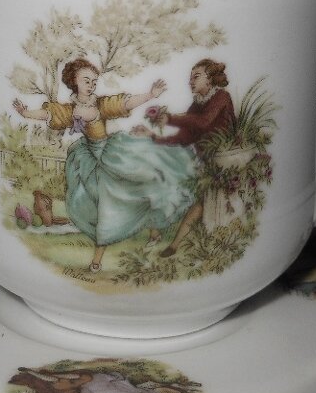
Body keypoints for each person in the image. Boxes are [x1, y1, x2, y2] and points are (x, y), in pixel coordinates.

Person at [12, 58, 195, 272]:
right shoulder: (70, 110)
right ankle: (146, 234)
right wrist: (26, 113)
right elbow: (48, 114)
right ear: (74, 81)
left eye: (94, 81)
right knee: (98, 202)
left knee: (126, 194)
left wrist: (150, 94)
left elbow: (125, 104)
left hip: (110, 154)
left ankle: (106, 254)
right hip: (89, 158)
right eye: (86, 80)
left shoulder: (100, 105)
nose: (91, 85)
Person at [132, 59, 235, 257]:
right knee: (190, 195)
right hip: (207, 161)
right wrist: (153, 137)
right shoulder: (196, 105)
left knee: (203, 201)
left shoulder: (221, 97)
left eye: (196, 77)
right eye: (190, 78)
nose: (190, 82)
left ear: (210, 79)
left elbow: (204, 122)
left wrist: (170, 118)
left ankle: (180, 245)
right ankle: (173, 244)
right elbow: (184, 137)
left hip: (226, 160)